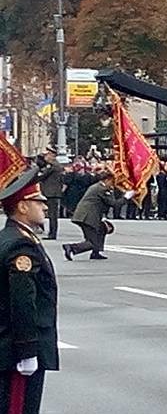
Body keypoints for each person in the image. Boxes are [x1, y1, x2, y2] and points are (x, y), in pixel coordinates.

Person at [0, 167, 60, 413]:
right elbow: (22, 300)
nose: (44, 207)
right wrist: (27, 350)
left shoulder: (12, 237)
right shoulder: (20, 245)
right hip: (16, 351)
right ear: (22, 207)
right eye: (38, 201)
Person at [64, 172, 134, 261]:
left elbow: (102, 204)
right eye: (112, 182)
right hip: (87, 217)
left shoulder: (98, 187)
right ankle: (71, 247)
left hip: (88, 215)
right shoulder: (102, 189)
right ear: (107, 180)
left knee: (102, 229)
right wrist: (126, 197)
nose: (113, 184)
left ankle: (96, 252)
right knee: (92, 242)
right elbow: (114, 204)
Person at [35, 148, 63, 240]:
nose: (46, 157)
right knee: (47, 212)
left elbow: (42, 176)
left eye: (48, 155)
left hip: (52, 193)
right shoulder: (52, 165)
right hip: (50, 192)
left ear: (52, 155)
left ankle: (52, 233)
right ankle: (47, 230)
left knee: (52, 215)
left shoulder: (53, 166)